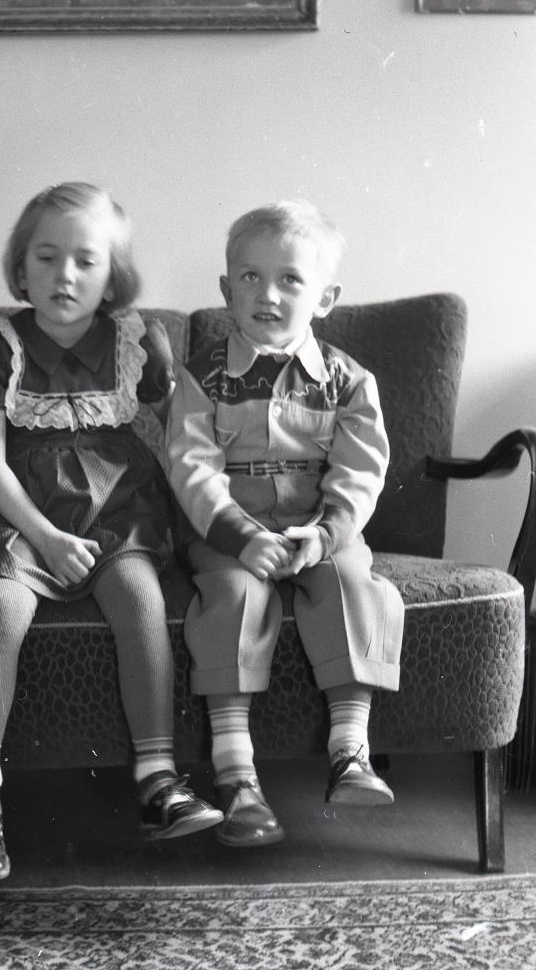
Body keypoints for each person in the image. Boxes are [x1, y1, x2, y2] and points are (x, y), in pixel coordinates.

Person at [0, 182, 222, 883]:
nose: (64, 275)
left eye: (84, 260)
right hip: (20, 512)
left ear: (113, 276)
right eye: (46, 258)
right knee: (0, 605)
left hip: (115, 511)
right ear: (21, 266)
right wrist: (43, 537)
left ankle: (158, 781)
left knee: (140, 598)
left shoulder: (137, 343)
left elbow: (184, 435)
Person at [165, 200, 404, 848]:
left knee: (354, 585)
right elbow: (191, 467)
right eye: (250, 276)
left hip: (318, 524)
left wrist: (324, 535)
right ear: (226, 290)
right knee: (232, 597)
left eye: (289, 280)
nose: (267, 294)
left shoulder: (349, 382)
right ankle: (236, 774)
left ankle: (349, 749)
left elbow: (361, 471)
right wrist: (240, 538)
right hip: (228, 527)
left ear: (324, 298)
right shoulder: (201, 377)